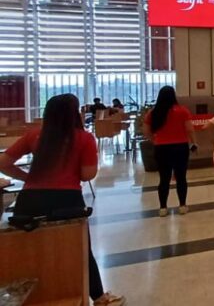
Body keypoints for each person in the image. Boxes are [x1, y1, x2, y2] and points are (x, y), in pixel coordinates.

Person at [0, 94, 125, 306]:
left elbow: (4, 162)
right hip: (66, 199)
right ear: (73, 114)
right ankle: (99, 297)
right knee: (80, 247)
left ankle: (34, 295)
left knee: (29, 247)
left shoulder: (35, 135)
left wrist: (28, 177)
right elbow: (87, 174)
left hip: (29, 199)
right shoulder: (83, 138)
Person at [143, 86, 196, 217]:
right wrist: (193, 142)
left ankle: (163, 208)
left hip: (162, 148)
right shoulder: (182, 111)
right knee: (181, 178)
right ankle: (182, 205)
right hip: (180, 147)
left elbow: (146, 131)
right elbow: (189, 129)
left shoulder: (153, 112)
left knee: (164, 178)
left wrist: (155, 140)